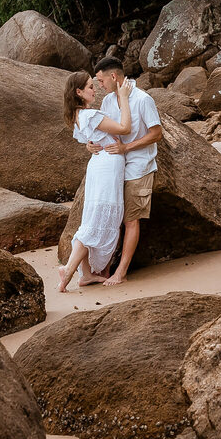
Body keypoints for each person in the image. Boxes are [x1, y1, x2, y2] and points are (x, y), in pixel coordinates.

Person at [89, 56, 162, 286]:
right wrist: (90, 144)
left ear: (113, 76)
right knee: (112, 218)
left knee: (130, 219)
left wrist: (126, 147)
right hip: (114, 167)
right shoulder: (108, 102)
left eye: (101, 81)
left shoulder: (143, 99)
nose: (100, 86)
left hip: (139, 166)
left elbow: (156, 133)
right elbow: (103, 132)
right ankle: (104, 268)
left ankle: (121, 271)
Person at [58, 70, 133, 293]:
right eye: (90, 86)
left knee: (92, 219)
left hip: (99, 166)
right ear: (79, 92)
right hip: (106, 169)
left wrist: (90, 145)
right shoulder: (90, 115)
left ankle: (87, 274)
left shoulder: (80, 116)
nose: (94, 89)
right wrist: (125, 99)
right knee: (96, 222)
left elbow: (90, 141)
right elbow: (125, 129)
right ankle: (69, 270)